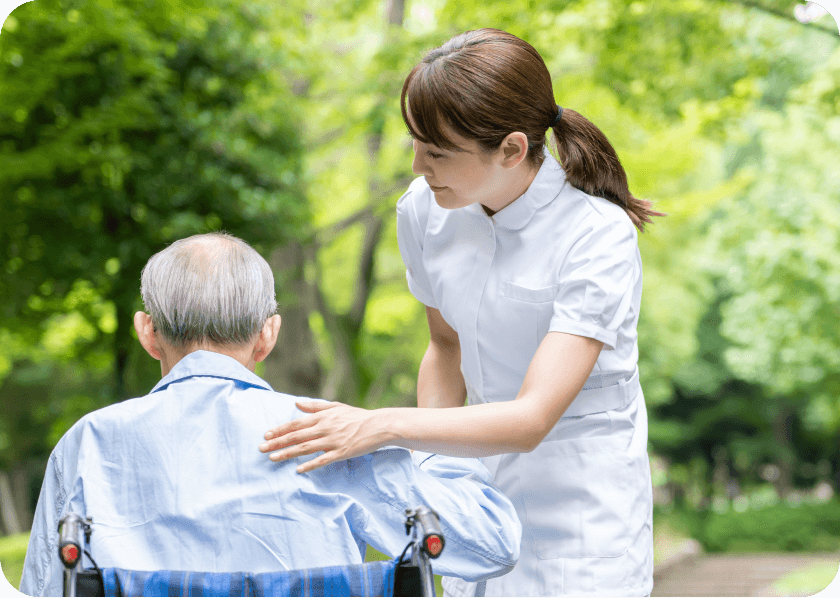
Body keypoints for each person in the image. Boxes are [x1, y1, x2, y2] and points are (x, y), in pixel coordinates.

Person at [258, 29, 664, 597]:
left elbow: (530, 419)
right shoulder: (425, 212)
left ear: (512, 149)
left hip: (582, 505)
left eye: (439, 151)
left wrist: (379, 426)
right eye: (416, 143)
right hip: (473, 493)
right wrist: (434, 477)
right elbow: (444, 346)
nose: (420, 165)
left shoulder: (596, 235)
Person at [18, 232, 521, 598]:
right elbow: (492, 546)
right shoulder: (330, 435)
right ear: (269, 334)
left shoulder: (89, 443)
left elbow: (43, 588)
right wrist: (420, 437)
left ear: (147, 333)